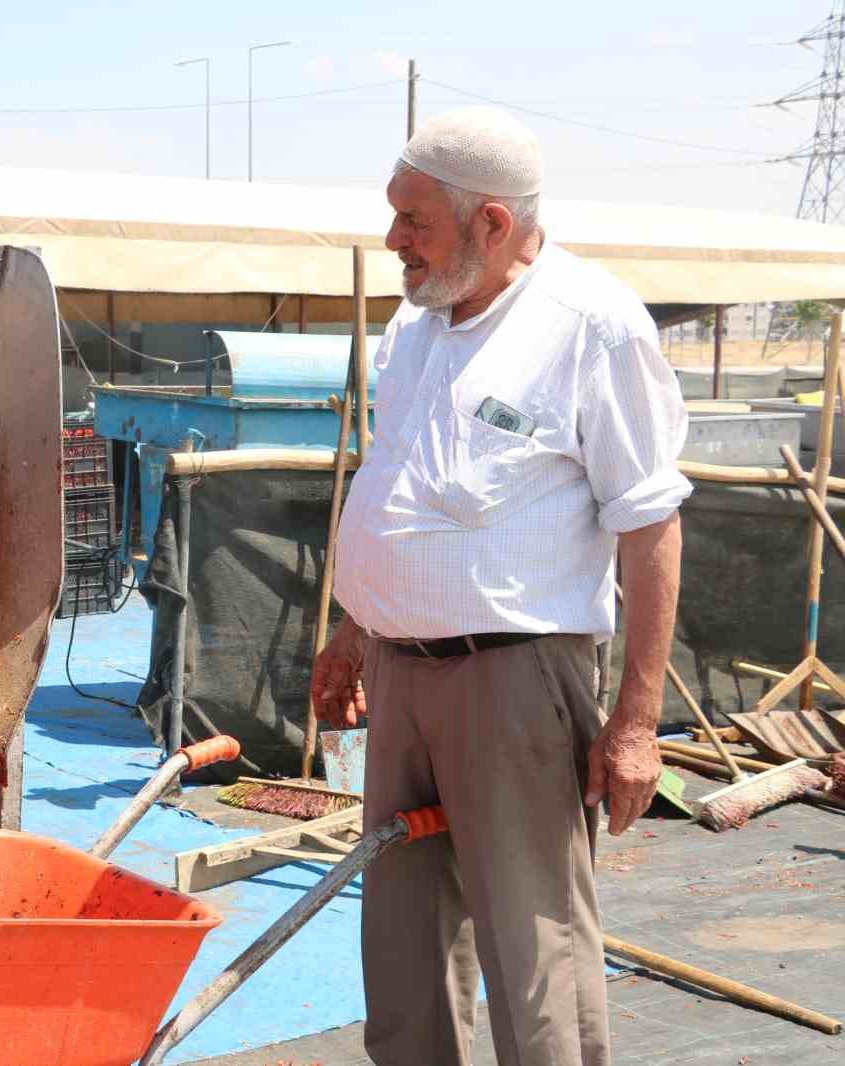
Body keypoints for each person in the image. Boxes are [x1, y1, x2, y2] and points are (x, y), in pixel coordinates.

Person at [311, 106, 689, 1066]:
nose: (392, 239)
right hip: (401, 677)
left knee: (536, 953)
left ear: (491, 222)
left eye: (413, 220)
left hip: (516, 681)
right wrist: (355, 632)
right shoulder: (415, 321)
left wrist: (636, 723)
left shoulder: (592, 326)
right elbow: (395, 481)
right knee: (403, 945)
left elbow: (648, 524)